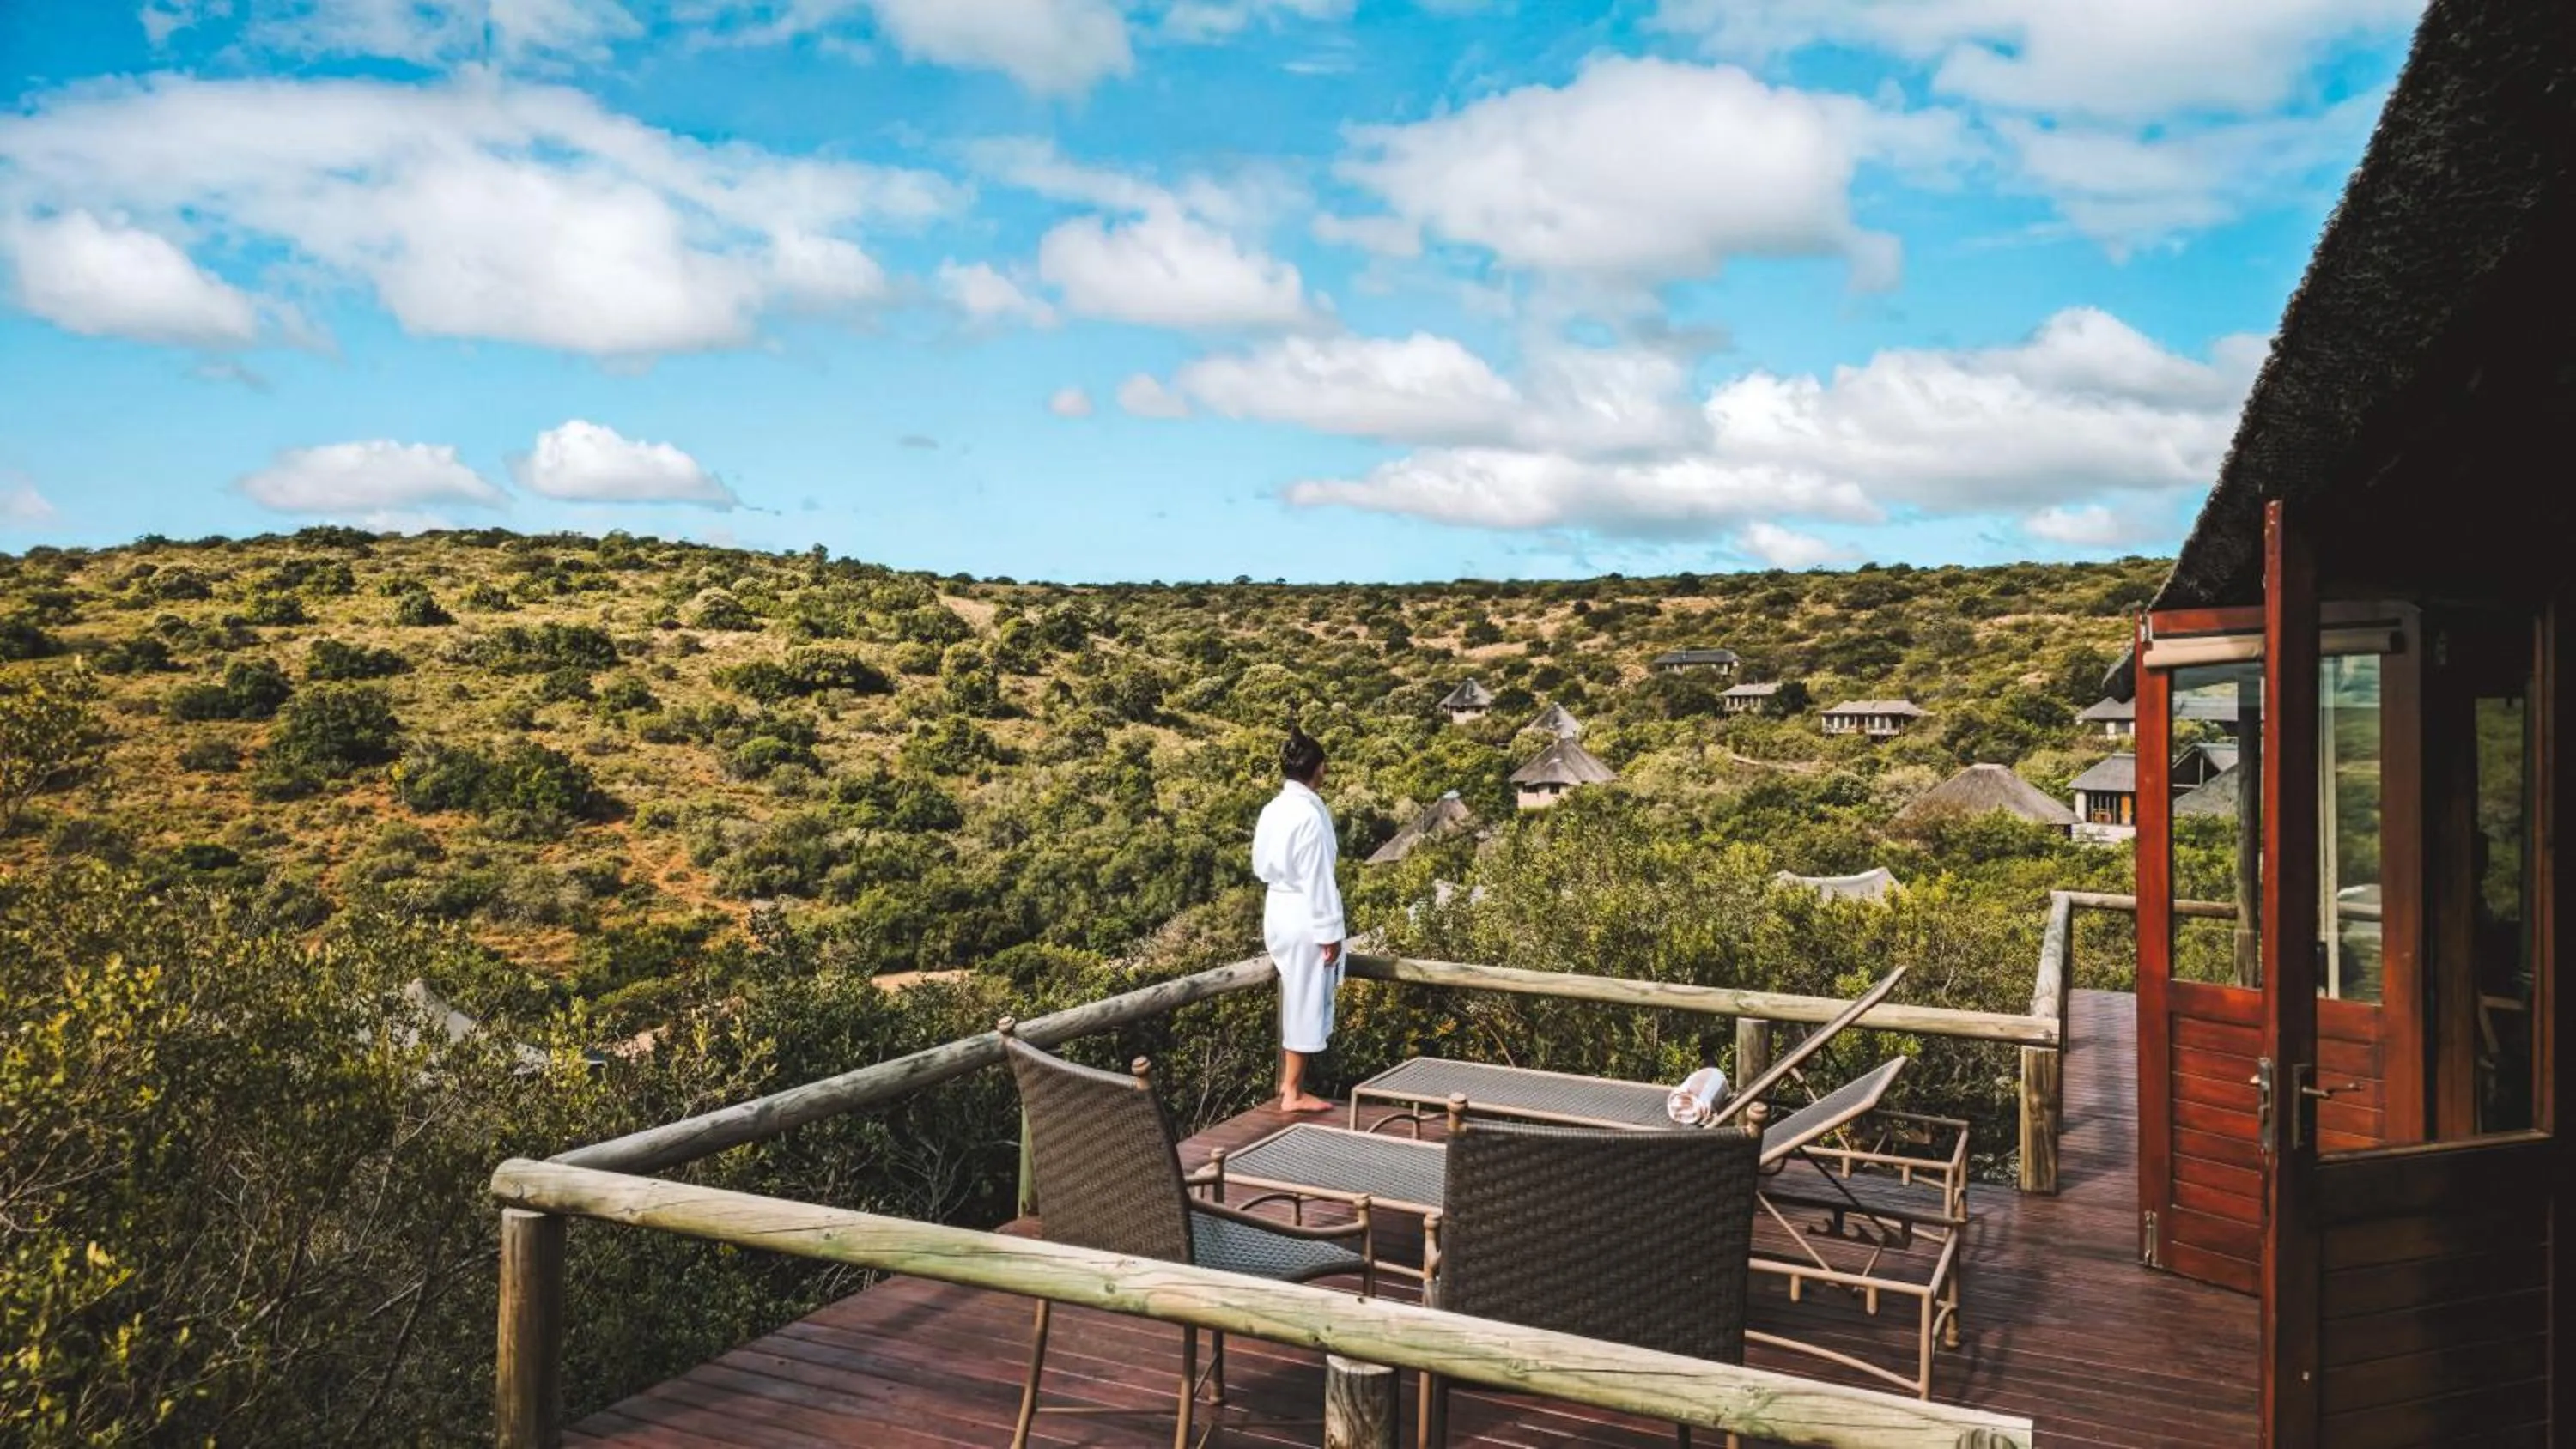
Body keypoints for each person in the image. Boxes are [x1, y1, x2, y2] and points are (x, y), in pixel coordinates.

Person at [1252, 722, 1345, 1114]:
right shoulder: (1308, 815)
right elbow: (1318, 875)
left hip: (1278, 907)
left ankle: (1289, 1085)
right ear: (1317, 768)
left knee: (1298, 991)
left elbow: (1260, 863)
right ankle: (1292, 1091)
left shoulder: (1273, 809)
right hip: (1306, 911)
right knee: (1306, 998)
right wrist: (1329, 931)